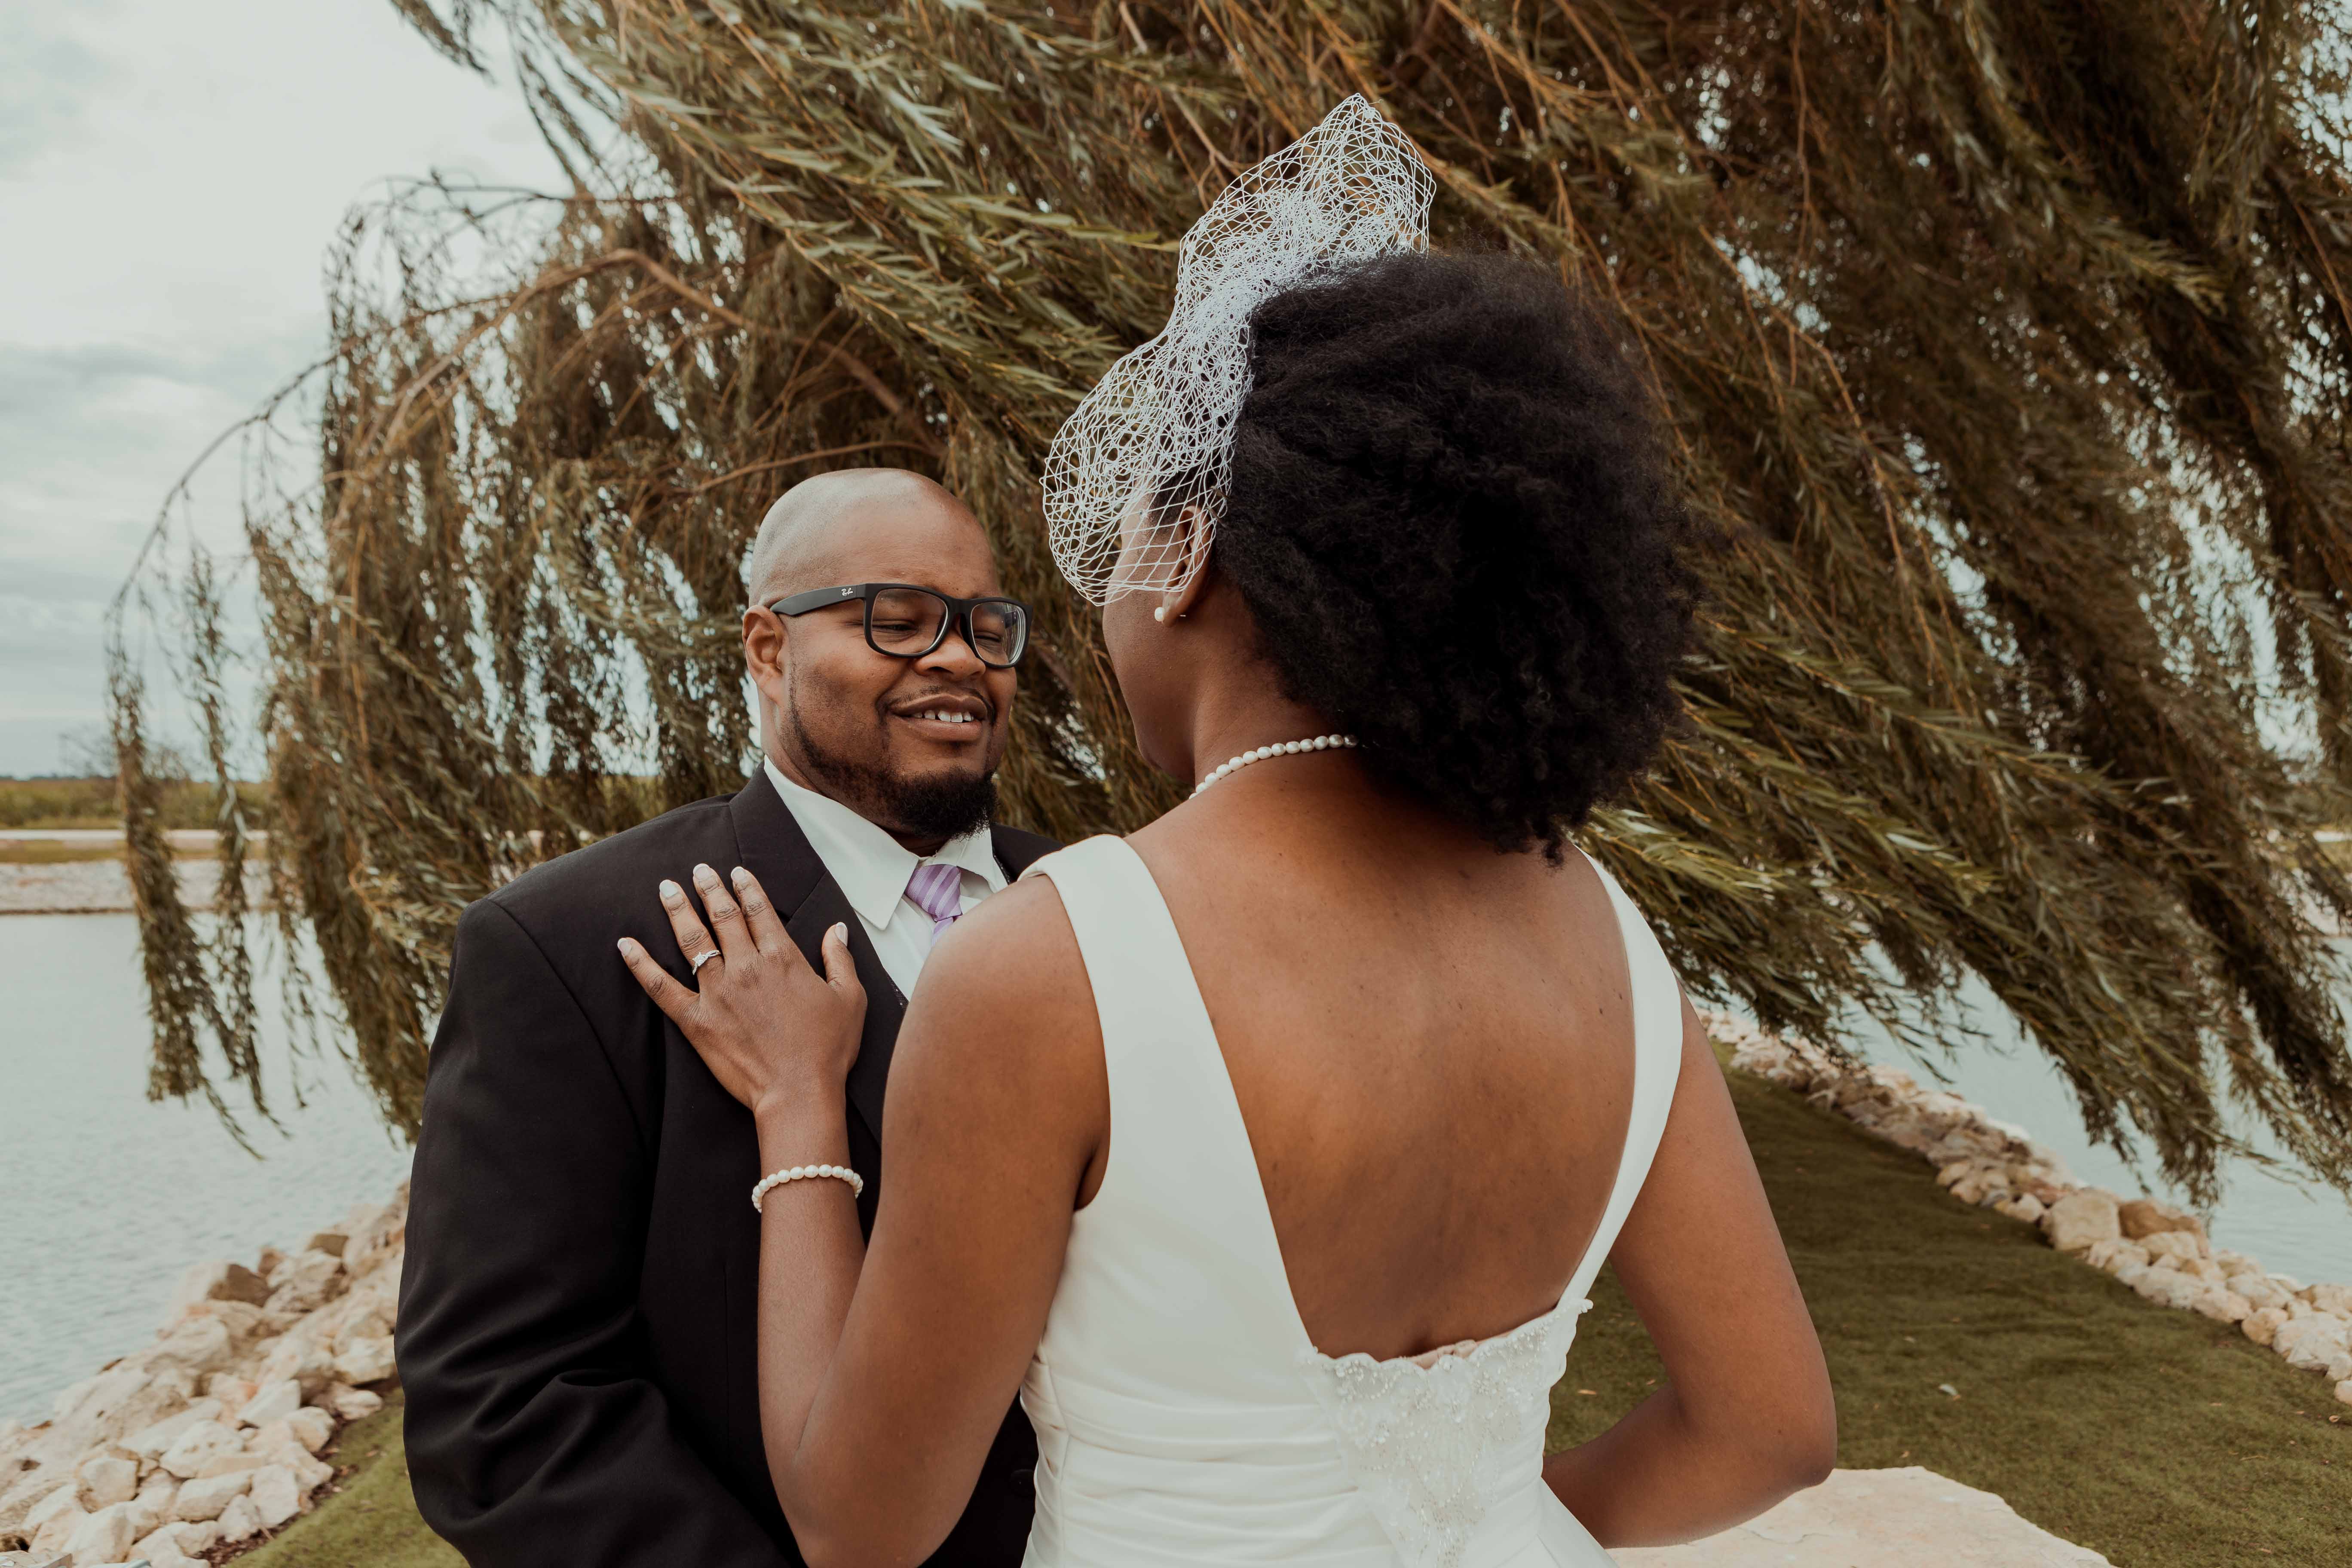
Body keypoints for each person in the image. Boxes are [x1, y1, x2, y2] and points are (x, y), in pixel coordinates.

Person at [619, 99, 1835, 1567]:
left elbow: (860, 1523)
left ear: (1187, 554)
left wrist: (802, 1113)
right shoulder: (1610, 930)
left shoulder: (1056, 963)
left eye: (1126, 535)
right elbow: (1768, 1423)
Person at [397, 469, 1053, 1567]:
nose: (959, 657)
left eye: (987, 626)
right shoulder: (569, 944)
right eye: (896, 619)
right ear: (767, 650)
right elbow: (502, 1409)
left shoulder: (1100, 899)